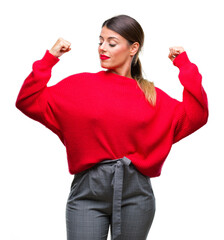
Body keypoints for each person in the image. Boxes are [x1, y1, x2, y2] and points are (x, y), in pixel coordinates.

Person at [15, 14, 208, 240]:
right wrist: (50, 58)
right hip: (87, 192)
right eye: (100, 41)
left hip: (136, 195)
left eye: (112, 43)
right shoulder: (79, 85)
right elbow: (27, 100)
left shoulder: (153, 96)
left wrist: (184, 65)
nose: (102, 48)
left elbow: (197, 115)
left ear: (133, 48)